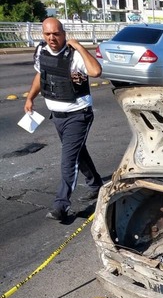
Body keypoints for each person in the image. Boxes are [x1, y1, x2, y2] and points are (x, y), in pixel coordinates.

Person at [24, 17, 104, 222]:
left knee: (68, 159)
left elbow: (96, 71)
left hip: (78, 114)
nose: (52, 38)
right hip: (57, 116)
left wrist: (79, 46)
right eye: (47, 34)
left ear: (64, 33)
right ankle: (96, 184)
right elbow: (40, 76)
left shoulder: (74, 55)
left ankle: (61, 204)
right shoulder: (41, 52)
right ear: (43, 34)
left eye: (56, 34)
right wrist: (30, 97)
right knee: (78, 152)